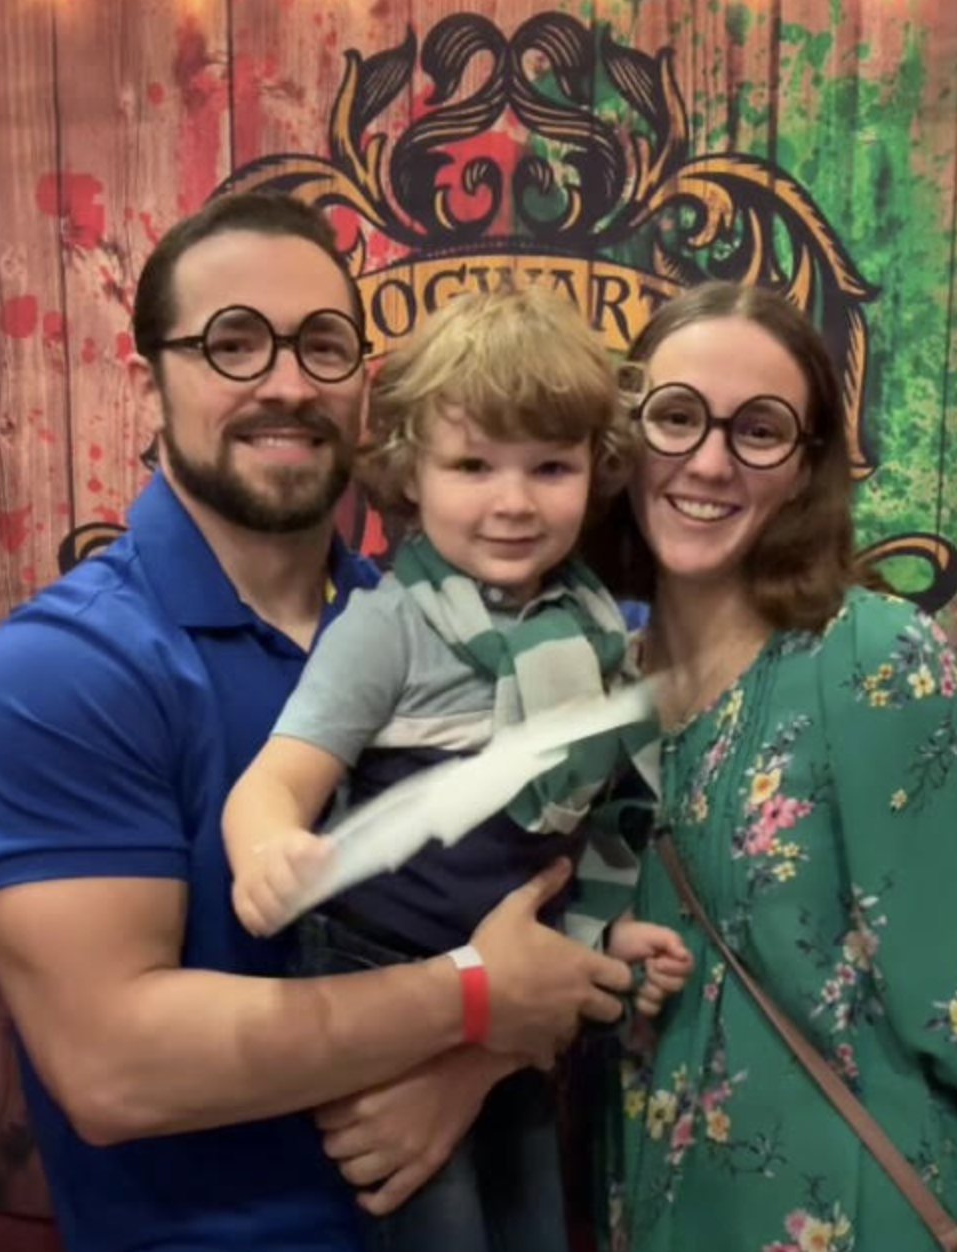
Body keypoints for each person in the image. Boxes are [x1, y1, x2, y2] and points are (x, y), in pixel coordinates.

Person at [0, 192, 638, 1252]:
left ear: (366, 389)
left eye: (322, 345)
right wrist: (472, 1002)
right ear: (154, 381)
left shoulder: (432, 620)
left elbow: (529, 914)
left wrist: (477, 1055)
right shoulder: (59, 671)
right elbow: (115, 1066)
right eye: (234, 343)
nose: (286, 381)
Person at [586, 281, 957, 1252]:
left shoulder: (868, 660)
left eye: (760, 430)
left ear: (807, 467)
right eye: (676, 416)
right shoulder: (601, 684)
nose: (710, 460)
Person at [222, 286, 692, 1252]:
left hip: (514, 1001)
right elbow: (276, 778)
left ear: (593, 474)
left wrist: (615, 929)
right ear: (409, 472)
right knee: (439, 1227)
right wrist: (268, 849)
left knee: (532, 1222)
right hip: (385, 980)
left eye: (549, 467)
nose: (513, 502)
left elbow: (591, 822)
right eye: (473, 465)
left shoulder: (595, 629)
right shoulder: (389, 627)